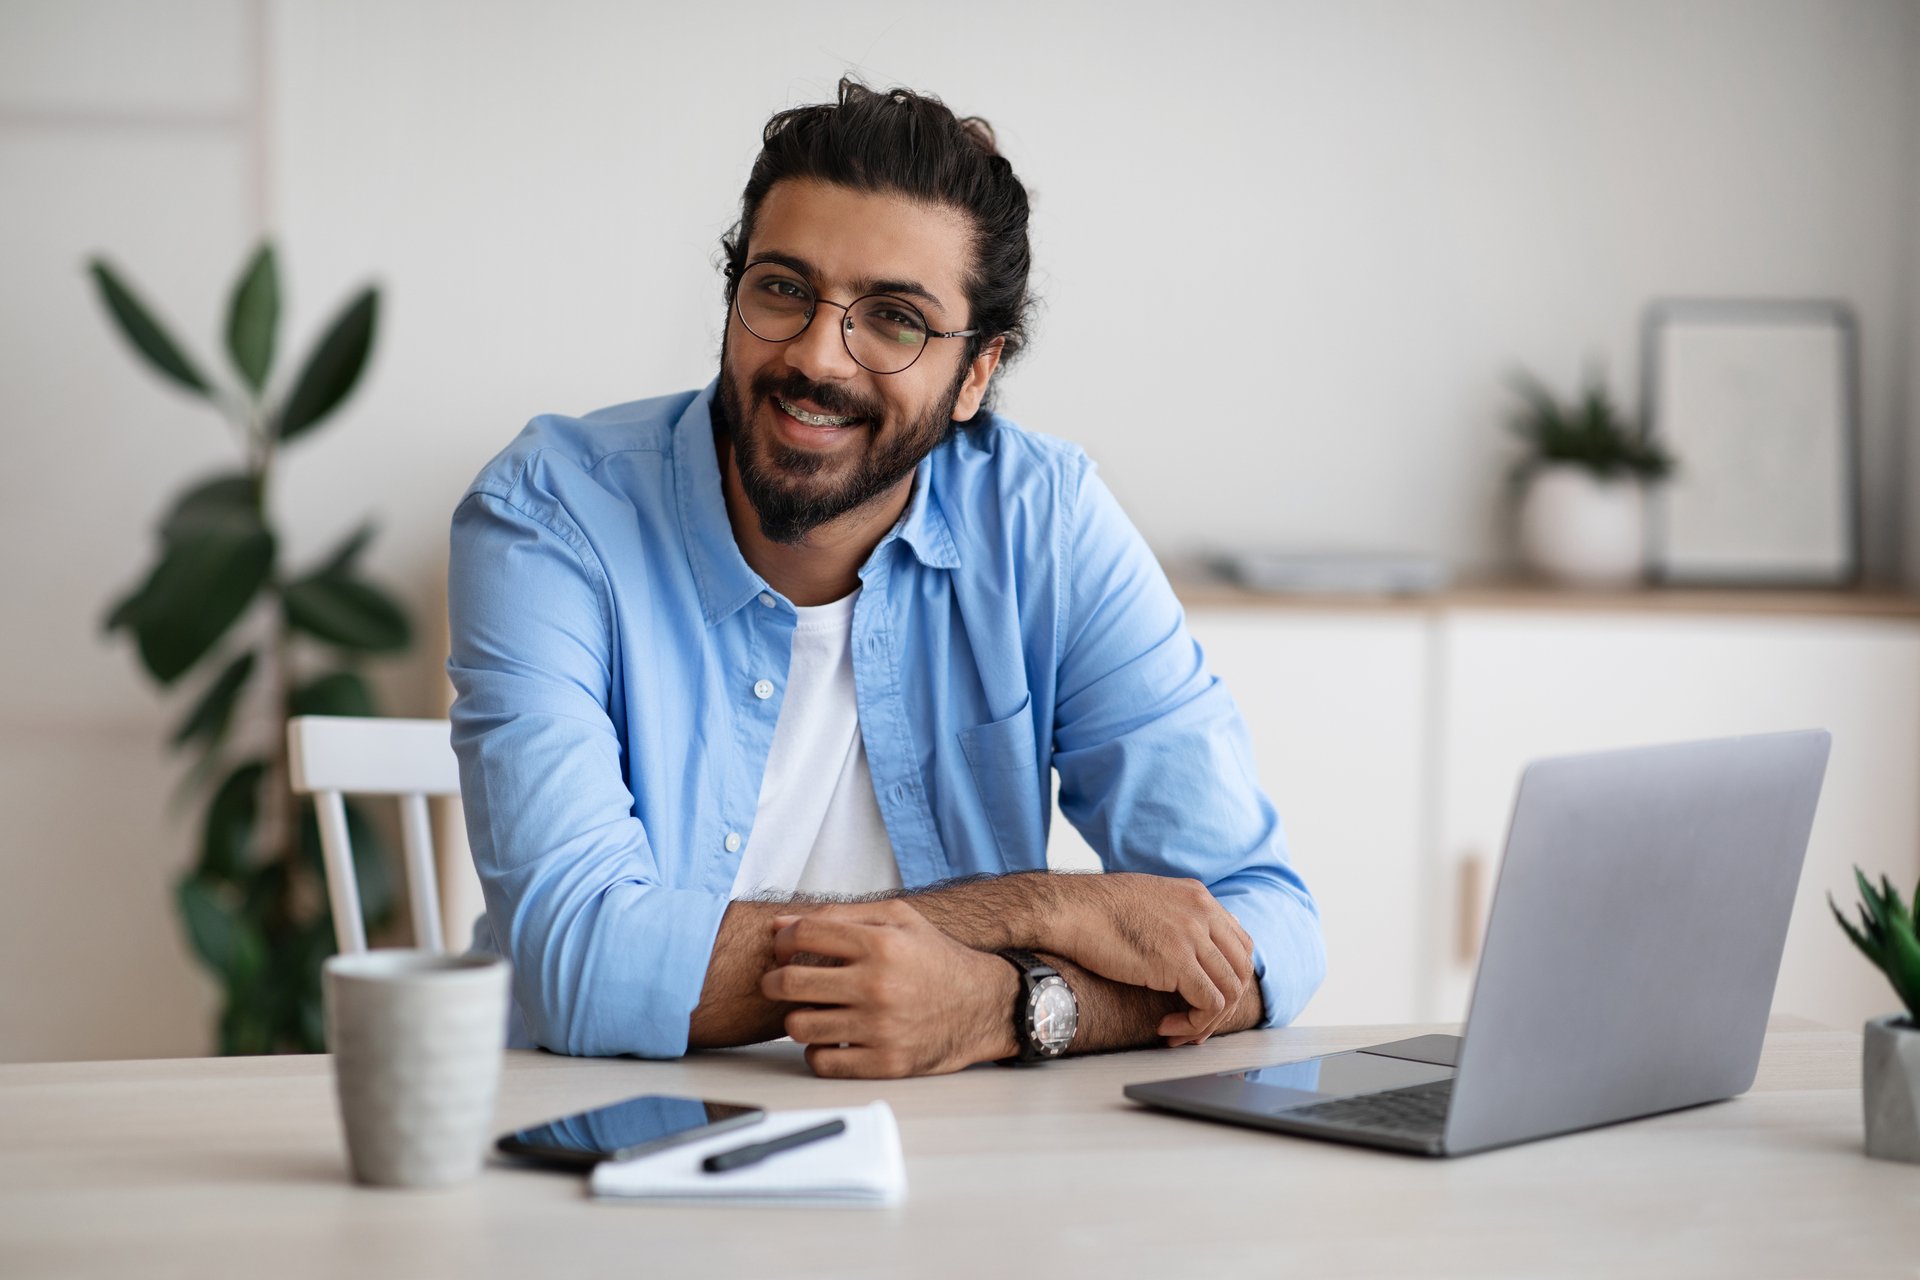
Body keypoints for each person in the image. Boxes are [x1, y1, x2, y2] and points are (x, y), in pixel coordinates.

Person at [447, 79, 1324, 1079]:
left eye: (895, 317)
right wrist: (1042, 908)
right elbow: (580, 961)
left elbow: (1268, 926)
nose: (819, 355)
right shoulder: (551, 514)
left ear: (978, 373)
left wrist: (1007, 1006)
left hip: (950, 1157)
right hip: (603, 1136)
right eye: (782, 288)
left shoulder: (1046, 523)